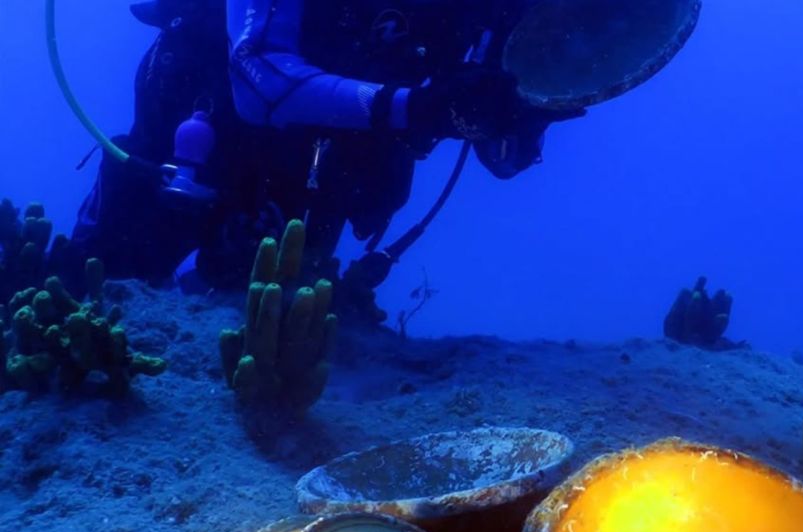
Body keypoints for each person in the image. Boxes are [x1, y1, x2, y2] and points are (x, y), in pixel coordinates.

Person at [68, 0, 579, 312]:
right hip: (196, 143)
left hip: (319, 174)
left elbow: (502, 156)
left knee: (274, 314)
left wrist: (532, 103)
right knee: (87, 296)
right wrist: (415, 108)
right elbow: (258, 79)